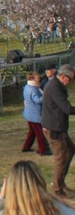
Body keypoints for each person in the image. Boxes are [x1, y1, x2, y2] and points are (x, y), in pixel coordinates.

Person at [41, 64, 75, 198]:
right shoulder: (54, 87)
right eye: (69, 79)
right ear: (62, 76)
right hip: (53, 129)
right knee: (61, 158)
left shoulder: (57, 85)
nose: (70, 82)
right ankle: (57, 189)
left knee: (71, 150)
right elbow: (66, 108)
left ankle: (60, 182)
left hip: (59, 127)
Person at [22, 72, 50, 155]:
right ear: (32, 78)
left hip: (29, 114)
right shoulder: (33, 89)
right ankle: (43, 150)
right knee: (40, 134)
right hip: (35, 115)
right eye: (37, 77)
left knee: (32, 132)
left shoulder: (27, 87)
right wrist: (46, 96)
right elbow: (37, 100)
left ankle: (26, 147)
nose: (39, 79)